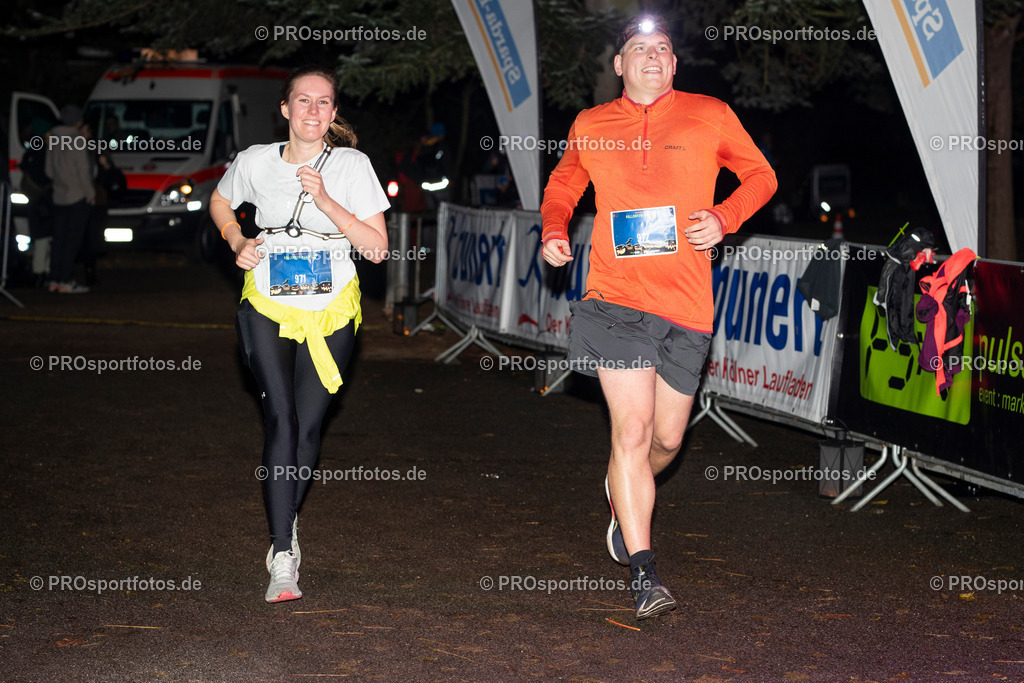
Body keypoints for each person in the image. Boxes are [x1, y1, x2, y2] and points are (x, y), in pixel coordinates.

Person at [540, 15, 776, 620]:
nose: (651, 56)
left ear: (675, 66)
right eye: (638, 48)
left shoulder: (710, 114)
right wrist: (554, 228)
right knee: (633, 433)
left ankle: (625, 489)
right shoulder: (592, 124)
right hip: (615, 300)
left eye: (662, 49)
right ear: (619, 65)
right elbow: (565, 181)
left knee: (667, 440)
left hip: (687, 305)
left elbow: (761, 175)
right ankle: (646, 576)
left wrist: (725, 218)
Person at [209, 65, 390, 604]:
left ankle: (287, 516)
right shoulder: (255, 161)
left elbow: (377, 248)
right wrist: (236, 237)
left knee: (308, 427)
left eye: (324, 102)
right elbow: (220, 201)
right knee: (280, 416)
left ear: (334, 113)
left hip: (331, 305)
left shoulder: (353, 165)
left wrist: (329, 201)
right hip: (266, 297)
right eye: (303, 101)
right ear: (285, 109)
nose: (313, 110)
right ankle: (282, 551)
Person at [45, 105, 95, 293]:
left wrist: (60, 181)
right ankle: (65, 280)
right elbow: (84, 172)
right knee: (71, 241)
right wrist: (90, 193)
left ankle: (54, 279)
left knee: (58, 239)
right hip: (77, 197)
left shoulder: (54, 139)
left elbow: (48, 170)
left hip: (58, 196)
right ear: (78, 122)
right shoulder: (77, 141)